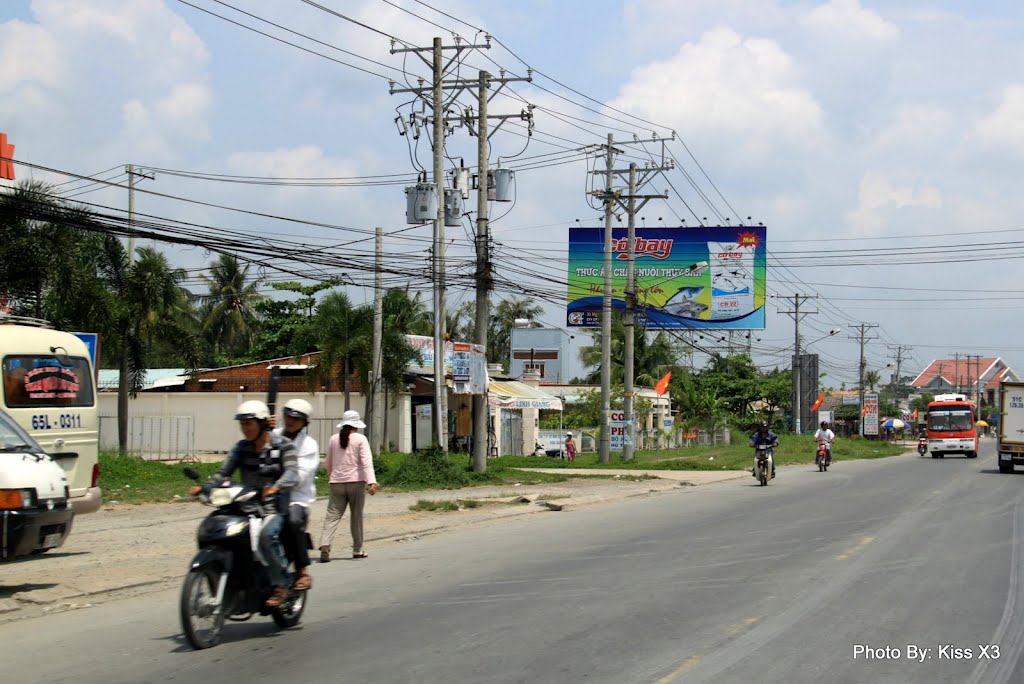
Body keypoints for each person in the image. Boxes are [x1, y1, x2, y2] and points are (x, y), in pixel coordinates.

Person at [189, 400, 298, 608]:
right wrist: (205, 487)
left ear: (263, 423)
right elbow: (223, 473)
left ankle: (282, 584)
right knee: (213, 529)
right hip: (243, 506)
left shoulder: (283, 446)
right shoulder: (241, 448)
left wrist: (277, 486)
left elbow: (293, 473)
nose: (245, 429)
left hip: (272, 508)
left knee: (266, 535)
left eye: (249, 424)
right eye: (242, 424)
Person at [272, 398, 320, 592]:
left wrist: (277, 483)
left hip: (295, 498)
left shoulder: (308, 445)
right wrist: (262, 429)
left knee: (293, 521)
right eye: (288, 416)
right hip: (267, 496)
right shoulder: (273, 436)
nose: (290, 421)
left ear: (304, 423)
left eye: (296, 419)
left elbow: (299, 477)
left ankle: (302, 570)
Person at [318, 410, 378, 562]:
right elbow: (366, 462)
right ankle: (357, 549)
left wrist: (331, 476)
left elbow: (328, 462)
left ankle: (325, 544)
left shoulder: (333, 439)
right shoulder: (361, 439)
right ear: (356, 425)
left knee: (332, 516)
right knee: (356, 517)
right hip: (356, 483)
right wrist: (371, 481)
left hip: (336, 483)